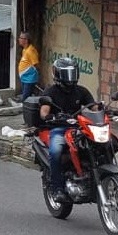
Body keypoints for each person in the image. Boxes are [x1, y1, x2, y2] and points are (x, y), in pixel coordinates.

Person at [36, 57, 95, 198]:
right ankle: (58, 189)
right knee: (55, 152)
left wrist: (107, 109)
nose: (70, 78)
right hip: (60, 129)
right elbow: (44, 111)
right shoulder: (51, 92)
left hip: (79, 128)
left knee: (102, 143)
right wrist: (50, 117)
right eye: (66, 74)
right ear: (58, 74)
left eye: (72, 73)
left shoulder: (81, 91)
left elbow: (94, 106)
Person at [15, 32, 40, 102]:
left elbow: (36, 64)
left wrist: (33, 75)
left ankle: (26, 111)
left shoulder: (31, 51)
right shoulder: (25, 50)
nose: (18, 39)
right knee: (25, 96)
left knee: (26, 98)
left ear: (26, 40)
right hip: (25, 78)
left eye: (20, 38)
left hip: (29, 79)